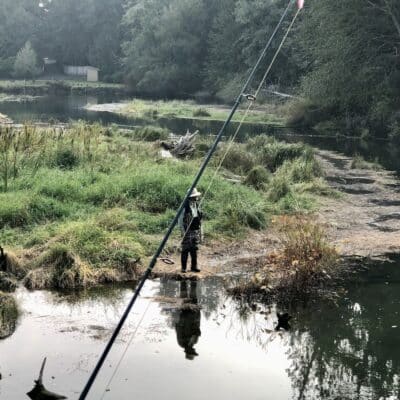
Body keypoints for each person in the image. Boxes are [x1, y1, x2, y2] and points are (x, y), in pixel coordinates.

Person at [179, 188, 203, 273]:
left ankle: (194, 267)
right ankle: (183, 268)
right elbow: (180, 220)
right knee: (185, 249)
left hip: (195, 229)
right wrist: (182, 231)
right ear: (190, 197)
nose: (195, 198)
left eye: (195, 196)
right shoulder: (184, 206)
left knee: (194, 249)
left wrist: (200, 231)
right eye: (194, 196)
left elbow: (200, 218)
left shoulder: (196, 204)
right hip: (187, 230)